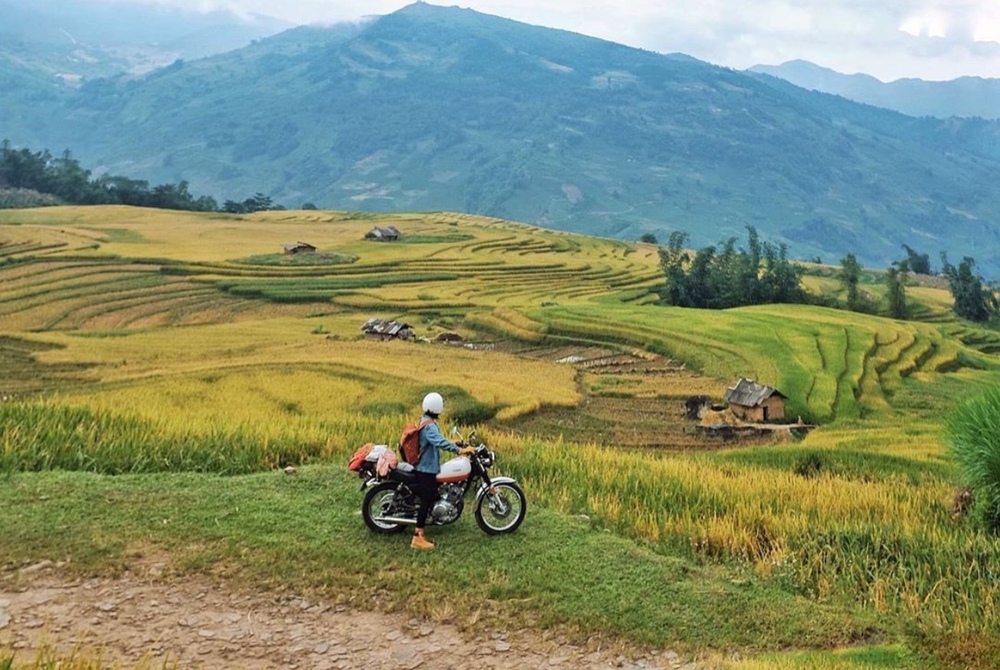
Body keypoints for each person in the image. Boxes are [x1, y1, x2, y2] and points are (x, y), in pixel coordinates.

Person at [411, 391, 474, 551]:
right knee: (426, 499)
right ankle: (417, 537)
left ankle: (437, 514)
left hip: (425, 466)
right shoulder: (430, 426)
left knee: (433, 495)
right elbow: (438, 441)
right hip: (426, 469)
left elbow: (438, 440)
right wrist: (458, 450)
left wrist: (458, 443)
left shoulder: (425, 420)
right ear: (438, 407)